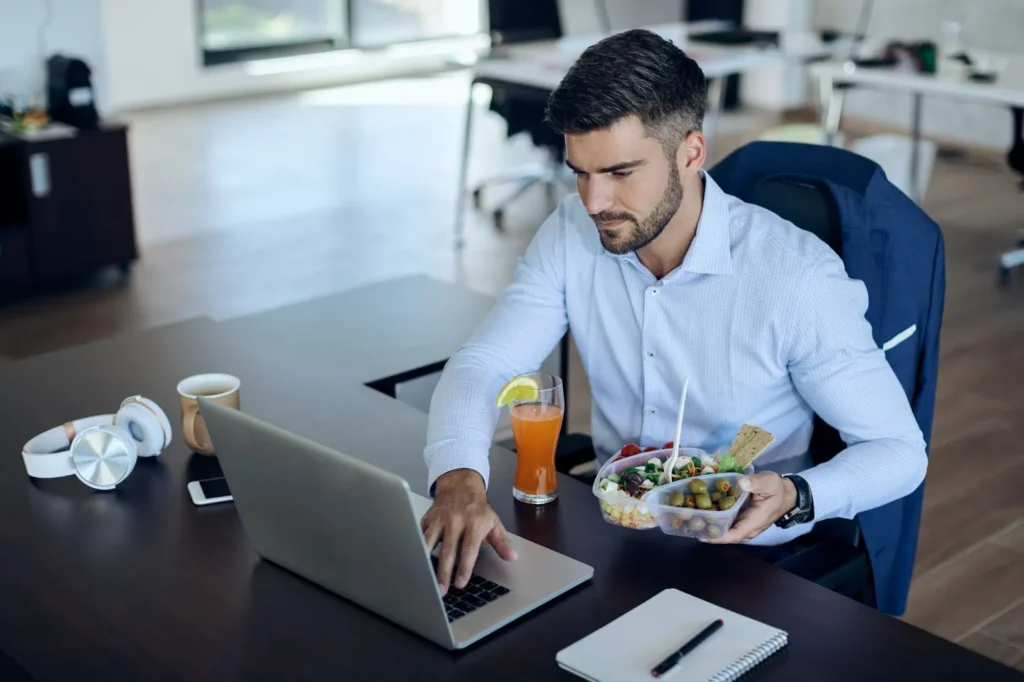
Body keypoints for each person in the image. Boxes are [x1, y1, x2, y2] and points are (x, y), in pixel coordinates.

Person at [421, 29, 927, 595]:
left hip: (744, 556)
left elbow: (899, 453)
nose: (594, 203)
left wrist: (795, 495)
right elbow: (484, 361)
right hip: (617, 533)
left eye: (619, 173)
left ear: (690, 152)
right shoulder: (570, 232)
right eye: (580, 172)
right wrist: (459, 476)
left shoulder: (796, 278)